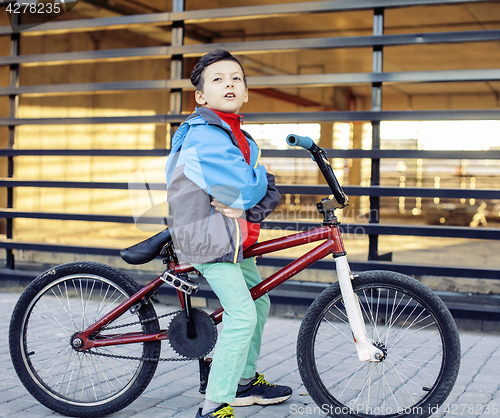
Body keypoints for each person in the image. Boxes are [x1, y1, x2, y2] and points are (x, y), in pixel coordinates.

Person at [165, 49, 292, 418]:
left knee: (259, 301)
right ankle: (216, 402)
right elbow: (248, 185)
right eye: (218, 79)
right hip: (206, 237)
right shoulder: (204, 134)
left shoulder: (241, 138)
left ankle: (244, 381)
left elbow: (265, 191)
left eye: (236, 78)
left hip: (232, 237)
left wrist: (249, 199)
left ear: (247, 93)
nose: (229, 83)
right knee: (242, 314)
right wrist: (252, 192)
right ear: (201, 97)